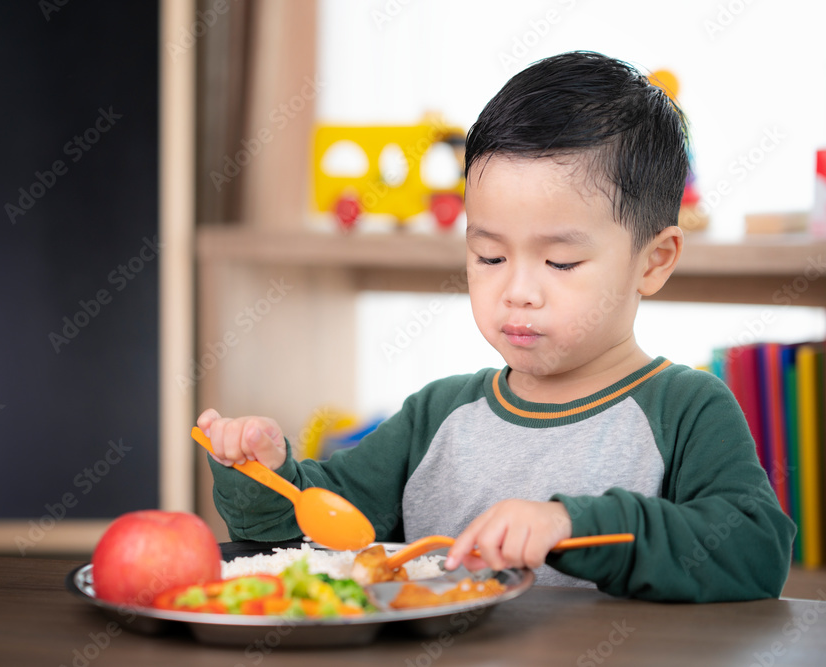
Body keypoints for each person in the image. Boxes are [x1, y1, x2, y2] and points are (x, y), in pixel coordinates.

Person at [197, 51, 795, 602]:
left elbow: (754, 551)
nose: (517, 292)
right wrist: (263, 472)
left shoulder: (686, 410)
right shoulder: (435, 418)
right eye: (489, 257)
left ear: (654, 261)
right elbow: (303, 536)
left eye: (560, 262)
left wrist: (573, 524)